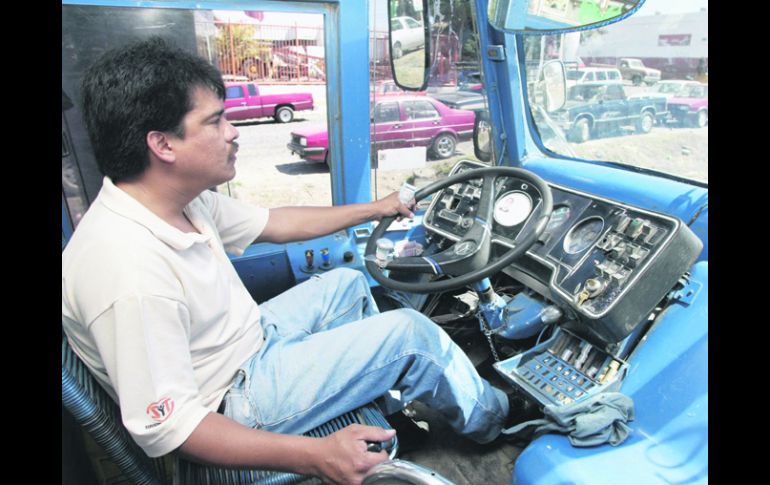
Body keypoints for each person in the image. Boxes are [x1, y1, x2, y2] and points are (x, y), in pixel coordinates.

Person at [61, 37, 512, 485]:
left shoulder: (176, 201)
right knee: (411, 336)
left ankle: (387, 408)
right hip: (229, 401)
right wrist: (318, 456)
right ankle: (497, 422)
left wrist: (378, 207)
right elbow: (174, 429)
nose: (233, 132)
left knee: (347, 285)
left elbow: (277, 223)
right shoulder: (127, 270)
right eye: (215, 121)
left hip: (247, 343)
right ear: (163, 144)